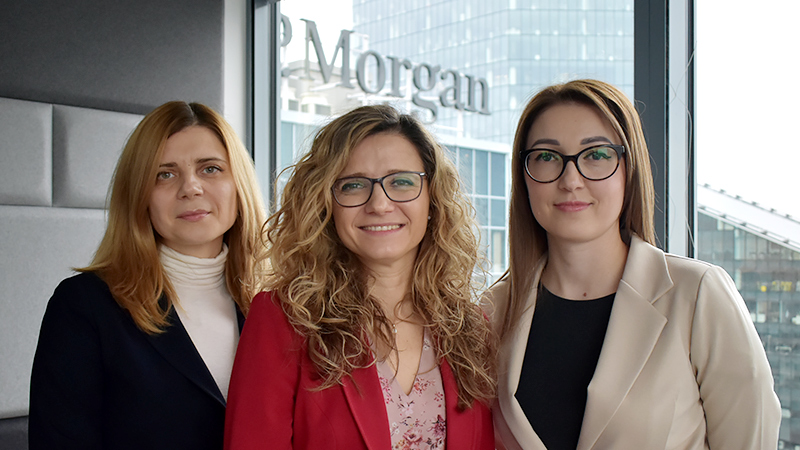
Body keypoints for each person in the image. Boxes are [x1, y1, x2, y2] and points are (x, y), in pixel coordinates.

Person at [485, 79, 781, 450]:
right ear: (524, 176)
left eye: (597, 155)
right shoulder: (491, 312)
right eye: (546, 157)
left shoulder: (698, 295)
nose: (571, 180)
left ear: (630, 169)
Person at [224, 104, 496, 449]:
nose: (379, 204)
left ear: (433, 201)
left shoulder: (470, 328)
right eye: (353, 185)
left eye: (401, 182)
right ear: (326, 203)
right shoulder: (283, 318)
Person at [29, 101, 268, 450]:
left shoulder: (279, 301)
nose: (191, 188)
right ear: (139, 195)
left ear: (239, 184)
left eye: (211, 169)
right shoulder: (86, 304)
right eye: (164, 174)